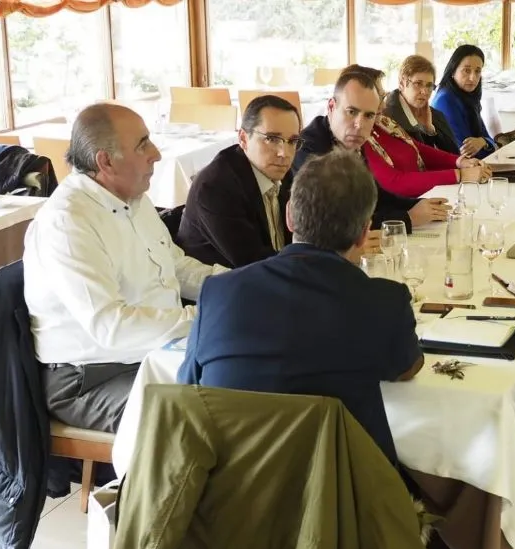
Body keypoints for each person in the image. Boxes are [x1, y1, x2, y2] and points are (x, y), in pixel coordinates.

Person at [177, 149, 423, 468]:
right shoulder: (385, 301)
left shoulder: (218, 292)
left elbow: (189, 386)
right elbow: (406, 368)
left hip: (232, 484)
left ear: (290, 217)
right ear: (365, 232)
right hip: (342, 487)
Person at [23, 103, 226, 433]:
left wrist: (239, 286)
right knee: (198, 421)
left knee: (251, 383)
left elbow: (176, 267)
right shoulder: (68, 222)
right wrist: (205, 317)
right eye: (143, 144)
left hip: (154, 353)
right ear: (105, 161)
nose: (156, 154)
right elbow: (111, 326)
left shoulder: (133, 199)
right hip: (90, 378)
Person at [294, 71, 450, 231]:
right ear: (332, 107)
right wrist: (408, 218)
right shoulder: (310, 149)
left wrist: (419, 204)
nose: (359, 125)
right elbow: (337, 221)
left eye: (369, 116)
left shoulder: (350, 138)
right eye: (351, 112)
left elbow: (375, 196)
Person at [176, 95, 301, 268]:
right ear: (243, 139)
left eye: (292, 141)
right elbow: (254, 263)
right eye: (272, 139)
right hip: (219, 280)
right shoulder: (216, 188)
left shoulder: (283, 172)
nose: (284, 153)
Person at [384, 55, 461, 154]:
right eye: (418, 83)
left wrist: (430, 130)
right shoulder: (387, 118)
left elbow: (455, 156)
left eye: (429, 85)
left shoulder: (436, 115)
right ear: (402, 83)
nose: (424, 91)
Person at [431, 45, 496, 159]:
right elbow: (465, 151)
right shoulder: (445, 100)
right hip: (456, 166)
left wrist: (483, 141)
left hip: (474, 164)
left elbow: (488, 138)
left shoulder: (467, 96)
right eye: (467, 70)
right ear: (453, 70)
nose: (473, 78)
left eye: (477, 71)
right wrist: (488, 144)